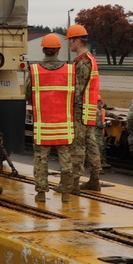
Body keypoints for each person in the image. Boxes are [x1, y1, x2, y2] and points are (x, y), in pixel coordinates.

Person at [25, 34, 75, 202]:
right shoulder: (70, 70)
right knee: (66, 160)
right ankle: (66, 194)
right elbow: (76, 95)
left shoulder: (34, 71)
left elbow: (27, 95)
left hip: (42, 125)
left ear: (43, 50)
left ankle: (40, 193)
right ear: (59, 50)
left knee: (41, 160)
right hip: (64, 125)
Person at [66, 24, 103, 193]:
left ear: (77, 41)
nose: (69, 44)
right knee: (91, 143)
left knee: (78, 145)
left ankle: (74, 183)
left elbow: (77, 88)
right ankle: (95, 180)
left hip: (81, 109)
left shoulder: (82, 62)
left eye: (70, 41)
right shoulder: (91, 58)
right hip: (90, 107)